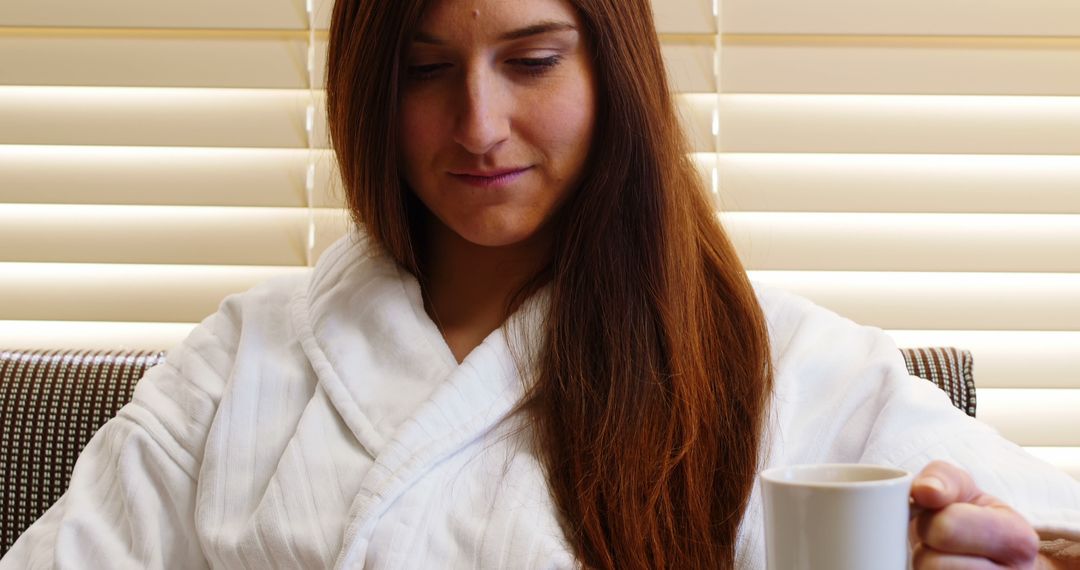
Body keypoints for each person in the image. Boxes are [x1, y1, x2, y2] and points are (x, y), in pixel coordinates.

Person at [3, 0, 1080, 568]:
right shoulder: (244, 360)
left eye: (531, 60)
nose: (476, 125)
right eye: (425, 70)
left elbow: (1048, 531)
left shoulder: (785, 366)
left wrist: (966, 550)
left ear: (615, 70)